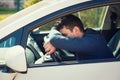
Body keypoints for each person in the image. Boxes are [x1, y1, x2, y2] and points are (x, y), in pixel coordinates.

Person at [43, 14, 114, 60]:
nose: (63, 38)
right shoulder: (86, 37)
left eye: (64, 35)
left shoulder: (91, 42)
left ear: (76, 30)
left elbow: (55, 39)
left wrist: (53, 40)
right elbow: (56, 40)